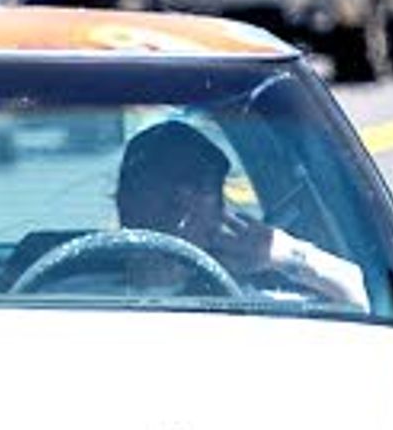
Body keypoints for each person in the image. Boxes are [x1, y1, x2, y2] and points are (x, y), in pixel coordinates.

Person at [112, 118, 368, 309]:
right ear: (125, 202)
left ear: (220, 212)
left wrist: (281, 252)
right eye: (162, 183)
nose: (180, 203)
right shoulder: (76, 290)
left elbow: (359, 298)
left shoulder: (246, 302)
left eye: (200, 186)